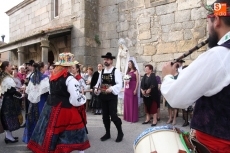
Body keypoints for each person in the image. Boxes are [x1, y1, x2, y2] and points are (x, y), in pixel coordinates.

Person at [161, 0, 230, 152]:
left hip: (216, 147)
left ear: (216, 20)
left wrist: (168, 76)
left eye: (208, 21)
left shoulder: (219, 55)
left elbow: (176, 97)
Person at [27, 52, 90, 153]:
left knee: (50, 131)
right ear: (69, 66)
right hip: (65, 108)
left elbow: (51, 93)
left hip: (51, 107)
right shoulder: (70, 79)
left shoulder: (52, 77)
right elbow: (75, 99)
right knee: (77, 129)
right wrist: (83, 98)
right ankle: (79, 151)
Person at [94, 52, 123, 142]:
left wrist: (112, 88)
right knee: (105, 116)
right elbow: (98, 83)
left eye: (107, 59)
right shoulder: (102, 71)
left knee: (113, 116)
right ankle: (107, 133)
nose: (105, 61)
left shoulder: (116, 71)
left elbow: (119, 84)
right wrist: (96, 89)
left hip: (112, 97)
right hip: (103, 96)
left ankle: (120, 132)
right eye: (104, 59)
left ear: (111, 61)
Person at [22, 62, 49, 143]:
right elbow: (47, 91)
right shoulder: (45, 78)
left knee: (31, 119)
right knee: (40, 120)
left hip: (32, 102)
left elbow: (28, 89)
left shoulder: (32, 76)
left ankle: (30, 140)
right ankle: (39, 141)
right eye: (45, 67)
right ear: (41, 68)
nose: (46, 68)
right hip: (41, 102)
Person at [0, 61, 24, 143]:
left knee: (8, 117)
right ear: (6, 67)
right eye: (10, 66)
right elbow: (11, 90)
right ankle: (9, 137)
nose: (12, 67)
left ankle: (9, 136)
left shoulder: (5, 76)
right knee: (8, 117)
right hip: (8, 100)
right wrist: (20, 94)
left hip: (7, 99)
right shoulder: (6, 78)